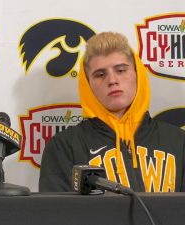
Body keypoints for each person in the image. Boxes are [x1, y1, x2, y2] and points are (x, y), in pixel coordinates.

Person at [39, 32, 185, 192]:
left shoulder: (178, 141)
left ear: (138, 74)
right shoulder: (65, 147)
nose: (112, 80)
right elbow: (56, 215)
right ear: (88, 85)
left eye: (121, 70)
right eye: (100, 74)